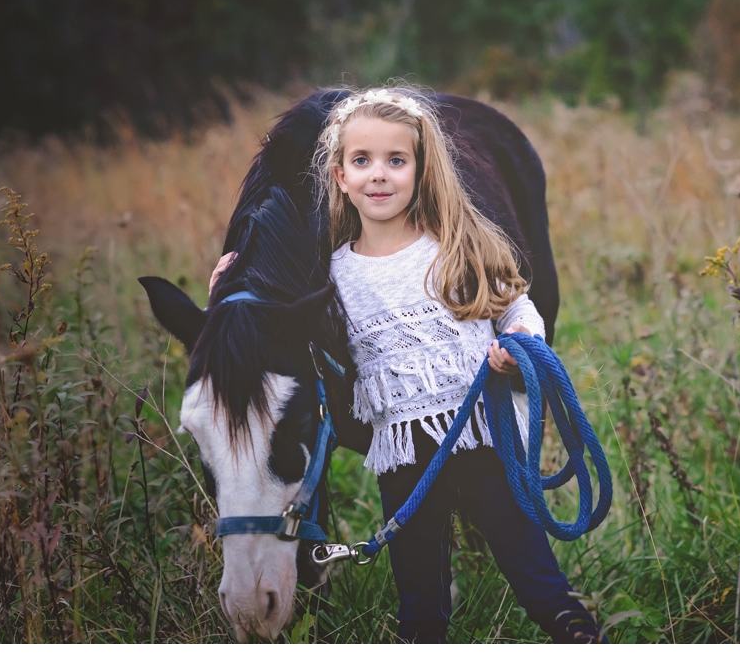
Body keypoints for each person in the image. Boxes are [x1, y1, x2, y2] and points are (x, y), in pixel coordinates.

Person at [211, 87, 603, 644]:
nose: (379, 175)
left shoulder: (456, 246)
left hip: (483, 441)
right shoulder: (331, 275)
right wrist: (225, 302)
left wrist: (518, 339)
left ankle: (577, 633)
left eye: (396, 161)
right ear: (339, 177)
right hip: (401, 457)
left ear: (422, 171)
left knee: (534, 575)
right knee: (419, 603)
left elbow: (514, 300)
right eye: (362, 161)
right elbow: (292, 334)